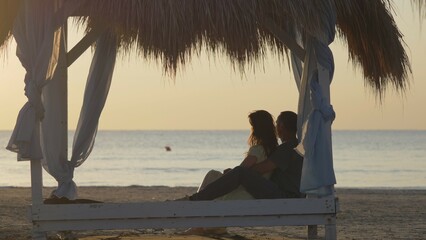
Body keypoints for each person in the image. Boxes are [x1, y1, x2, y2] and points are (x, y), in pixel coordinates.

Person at [188, 111, 304, 201]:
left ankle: (197, 199)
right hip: (284, 192)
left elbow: (262, 169)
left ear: (282, 126)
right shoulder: (290, 147)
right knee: (239, 172)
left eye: (277, 123)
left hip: (285, 195)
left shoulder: (288, 147)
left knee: (240, 172)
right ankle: (199, 198)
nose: (275, 127)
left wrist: (235, 173)